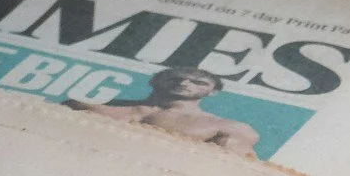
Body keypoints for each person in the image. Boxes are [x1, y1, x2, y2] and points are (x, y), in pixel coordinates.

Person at [62, 67, 261, 154]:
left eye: (198, 82)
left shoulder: (227, 127)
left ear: (213, 91)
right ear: (154, 81)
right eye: (175, 79)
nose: (184, 83)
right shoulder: (95, 106)